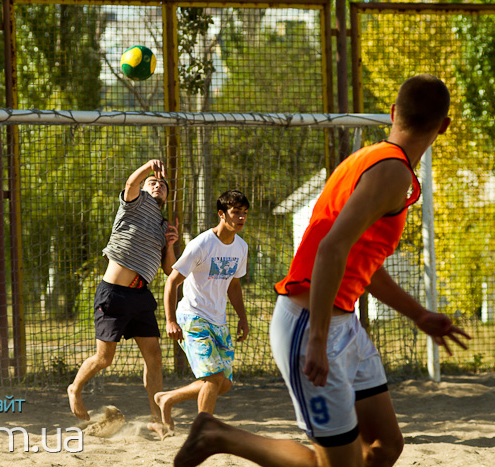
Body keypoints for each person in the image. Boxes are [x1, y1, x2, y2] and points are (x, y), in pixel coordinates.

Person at [174, 74, 471, 467]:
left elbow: (358, 261)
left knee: (385, 447)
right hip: (311, 323)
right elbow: (331, 247)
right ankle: (216, 433)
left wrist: (418, 314)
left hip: (342, 324)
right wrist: (316, 337)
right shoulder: (391, 171)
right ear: (444, 126)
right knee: (338, 464)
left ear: (394, 112)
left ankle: (218, 432)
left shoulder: (370, 159)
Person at [67, 159, 179, 440]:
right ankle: (75, 389)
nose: (158, 185)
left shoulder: (163, 224)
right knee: (105, 359)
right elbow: (131, 183)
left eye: (163, 185)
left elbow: (168, 270)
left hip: (141, 295)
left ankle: (156, 420)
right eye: (153, 182)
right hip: (114, 292)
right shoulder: (134, 203)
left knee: (154, 357)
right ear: (143, 188)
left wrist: (171, 245)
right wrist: (149, 167)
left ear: (167, 196)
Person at [155, 190, 250, 434]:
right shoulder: (202, 244)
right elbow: (172, 282)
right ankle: (202, 432)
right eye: (235, 212)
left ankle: (168, 399)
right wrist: (170, 320)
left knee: (224, 383)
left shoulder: (241, 247)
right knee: (214, 377)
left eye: (244, 213)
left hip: (219, 321)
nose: (241, 218)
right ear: (221, 214)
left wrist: (242, 317)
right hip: (192, 317)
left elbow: (235, 285)